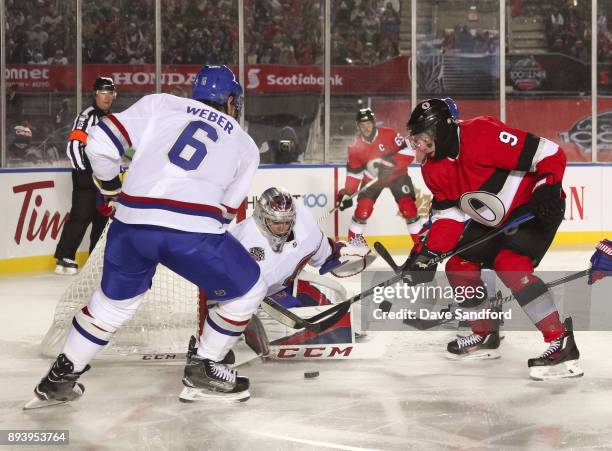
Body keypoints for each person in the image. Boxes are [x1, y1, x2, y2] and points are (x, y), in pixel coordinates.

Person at [27, 65, 266, 408]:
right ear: (230, 100)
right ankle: (205, 366)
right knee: (249, 288)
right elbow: (227, 212)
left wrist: (110, 187)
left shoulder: (159, 104)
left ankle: (60, 378)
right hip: (192, 233)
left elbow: (98, 145)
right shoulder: (245, 144)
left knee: (111, 306)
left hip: (131, 226)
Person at [405, 98, 582, 380]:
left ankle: (561, 344)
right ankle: (484, 335)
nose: (421, 147)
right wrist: (427, 254)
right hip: (491, 218)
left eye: (425, 138)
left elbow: (550, 153)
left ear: (443, 128)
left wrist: (547, 186)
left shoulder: (481, 134)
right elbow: (448, 216)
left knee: (510, 264)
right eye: (418, 139)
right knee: (459, 266)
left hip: (532, 207)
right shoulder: (432, 168)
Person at [53, 77, 117, 275]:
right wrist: (82, 171)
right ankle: (65, 257)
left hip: (102, 177)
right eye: (103, 92)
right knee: (81, 215)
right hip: (86, 174)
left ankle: (94, 258)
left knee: (102, 218)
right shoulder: (86, 117)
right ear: (96, 94)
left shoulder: (111, 118)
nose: (107, 97)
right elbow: (73, 145)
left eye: (111, 93)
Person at [336, 107, 422, 245]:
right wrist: (347, 193)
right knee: (363, 209)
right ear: (358, 126)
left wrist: (392, 166)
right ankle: (354, 243)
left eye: (368, 123)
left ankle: (421, 244)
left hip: (397, 176)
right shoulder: (355, 148)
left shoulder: (389, 134)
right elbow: (355, 174)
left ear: (374, 122)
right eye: (362, 125)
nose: (366, 127)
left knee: (408, 208)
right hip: (372, 179)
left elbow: (410, 149)